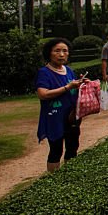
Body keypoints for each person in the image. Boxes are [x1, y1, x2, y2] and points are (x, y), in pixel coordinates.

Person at [36, 38, 88, 172]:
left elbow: (72, 89)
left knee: (72, 147)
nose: (61, 54)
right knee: (56, 149)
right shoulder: (44, 73)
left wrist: (81, 84)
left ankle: (69, 175)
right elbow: (43, 94)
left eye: (65, 51)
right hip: (54, 117)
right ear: (49, 53)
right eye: (57, 51)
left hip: (71, 117)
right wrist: (68, 87)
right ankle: (54, 179)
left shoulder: (69, 70)